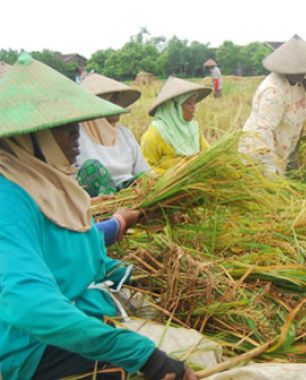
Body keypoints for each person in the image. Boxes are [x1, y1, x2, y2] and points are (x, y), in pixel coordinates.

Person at [0, 53, 196, 380]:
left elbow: (86, 252)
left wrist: (148, 277)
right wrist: (147, 357)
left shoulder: (55, 188)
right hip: (31, 349)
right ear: (30, 137)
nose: (77, 135)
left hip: (79, 318)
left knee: (191, 347)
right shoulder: (9, 201)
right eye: (64, 128)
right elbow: (30, 305)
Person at [238, 34, 306, 177]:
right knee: (271, 193)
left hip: (284, 147)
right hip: (259, 154)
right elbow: (263, 132)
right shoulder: (273, 91)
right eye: (296, 71)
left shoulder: (301, 80)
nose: (301, 74)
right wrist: (271, 170)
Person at [76, 73, 151, 197]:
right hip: (98, 200)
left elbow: (144, 171)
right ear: (97, 103)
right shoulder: (76, 136)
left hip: (128, 194)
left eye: (118, 99)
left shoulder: (125, 134)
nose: (119, 105)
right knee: (92, 167)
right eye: (113, 99)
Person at [140, 76, 212, 175]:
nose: (193, 107)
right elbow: (146, 168)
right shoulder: (154, 134)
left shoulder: (193, 128)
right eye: (189, 103)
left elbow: (208, 153)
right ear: (173, 108)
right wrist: (174, 176)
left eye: (194, 103)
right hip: (170, 186)